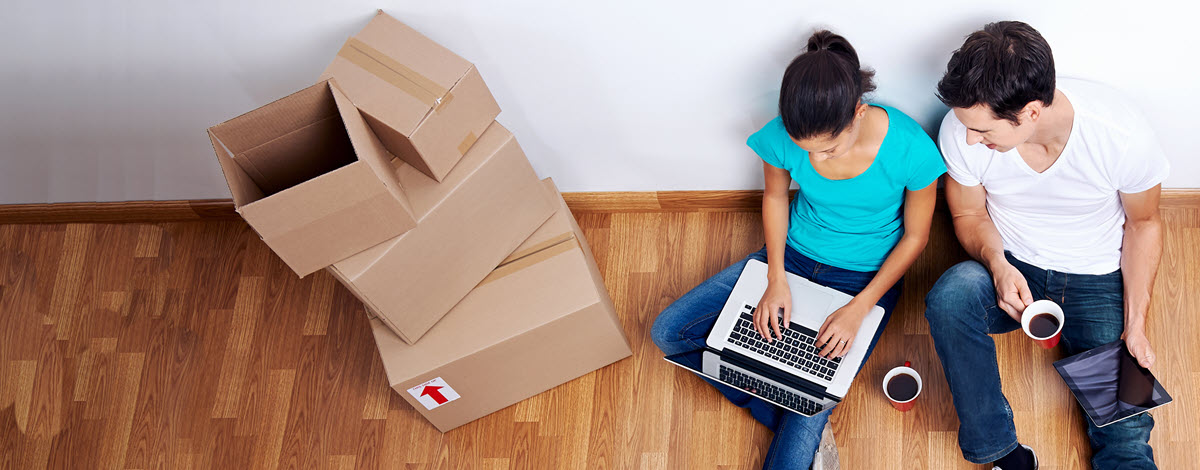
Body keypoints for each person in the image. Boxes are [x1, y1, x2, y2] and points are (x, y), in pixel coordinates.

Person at [650, 30, 946, 469]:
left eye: (829, 148)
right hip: (791, 257)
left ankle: (800, 410)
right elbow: (774, 198)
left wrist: (859, 307)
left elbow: (916, 237)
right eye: (809, 152)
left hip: (865, 278)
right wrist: (775, 277)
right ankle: (792, 410)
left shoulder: (911, 149)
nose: (819, 161)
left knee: (811, 398)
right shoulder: (781, 136)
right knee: (668, 332)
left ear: (858, 113)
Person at [925, 21, 1168, 470]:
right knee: (951, 296)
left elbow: (1145, 223)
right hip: (1014, 264)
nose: (971, 139)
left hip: (1096, 277)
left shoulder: (1120, 135)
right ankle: (1002, 453)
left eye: (983, 131)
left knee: (1127, 438)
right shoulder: (961, 130)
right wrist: (997, 264)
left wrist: (1136, 322)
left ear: (1032, 112)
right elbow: (968, 214)